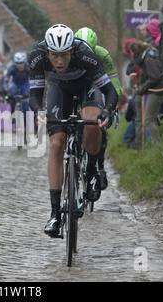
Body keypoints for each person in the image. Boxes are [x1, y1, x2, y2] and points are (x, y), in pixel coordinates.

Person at [28, 24, 118, 237]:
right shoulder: (36, 56)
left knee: (91, 122)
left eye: (64, 56)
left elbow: (109, 90)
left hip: (88, 87)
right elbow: (35, 93)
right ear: (47, 52)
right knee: (57, 143)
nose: (59, 61)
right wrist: (38, 111)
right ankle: (55, 214)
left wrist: (107, 111)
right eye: (54, 56)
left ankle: (93, 170)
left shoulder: (85, 54)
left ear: (72, 51)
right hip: (59, 90)